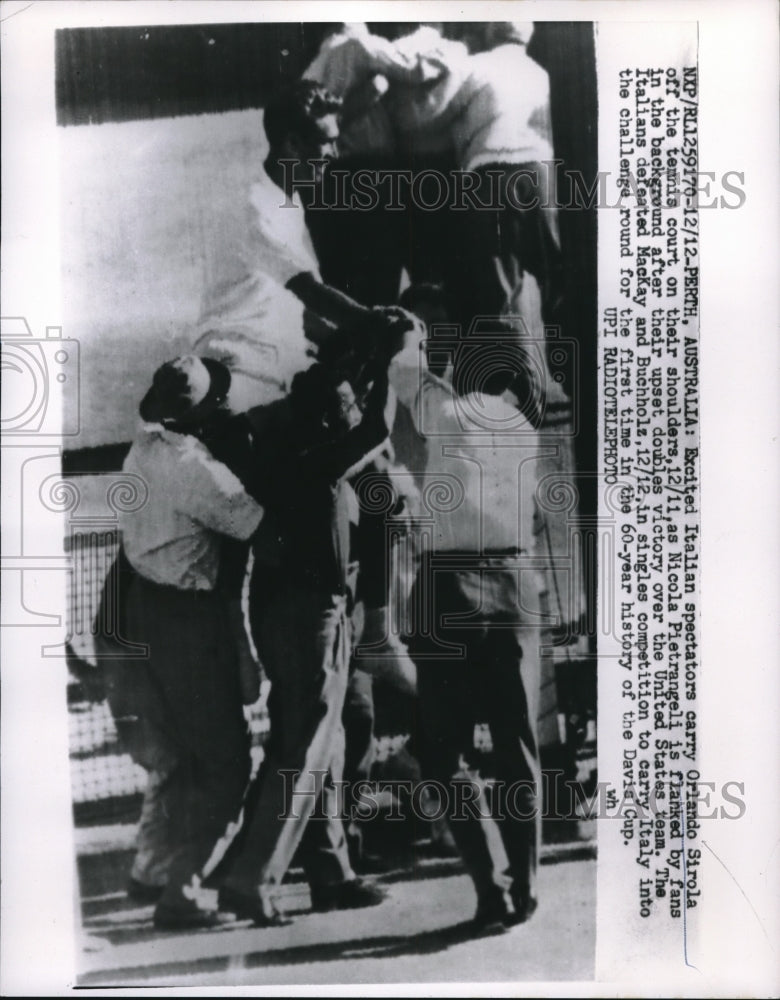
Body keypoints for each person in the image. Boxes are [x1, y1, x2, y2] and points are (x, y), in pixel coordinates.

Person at [214, 321, 417, 923]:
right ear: (332, 423)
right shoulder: (319, 462)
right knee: (302, 752)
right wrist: (394, 354)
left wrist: (364, 359)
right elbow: (377, 425)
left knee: (318, 748)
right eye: (345, 412)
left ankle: (331, 873)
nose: (354, 420)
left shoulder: (283, 443)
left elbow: (352, 414)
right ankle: (253, 881)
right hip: (312, 615)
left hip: (289, 608)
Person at [386, 321, 546, 933]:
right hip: (513, 586)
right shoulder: (525, 429)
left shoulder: (446, 412)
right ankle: (525, 884)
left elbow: (405, 371)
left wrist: (410, 330)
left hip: (449, 587)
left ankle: (488, 887)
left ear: (458, 368)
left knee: (444, 751)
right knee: (517, 746)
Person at [117, 355, 265, 929]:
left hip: (145, 612)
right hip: (189, 621)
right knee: (228, 762)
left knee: (186, 758)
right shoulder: (194, 468)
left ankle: (173, 876)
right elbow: (253, 521)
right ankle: (183, 889)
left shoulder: (142, 449)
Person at [193, 79, 414, 410]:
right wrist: (374, 322)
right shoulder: (254, 205)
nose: (335, 154)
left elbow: (296, 307)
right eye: (327, 143)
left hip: (276, 353)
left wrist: (351, 338)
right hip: (238, 363)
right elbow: (308, 292)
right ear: (293, 145)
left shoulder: (288, 199)